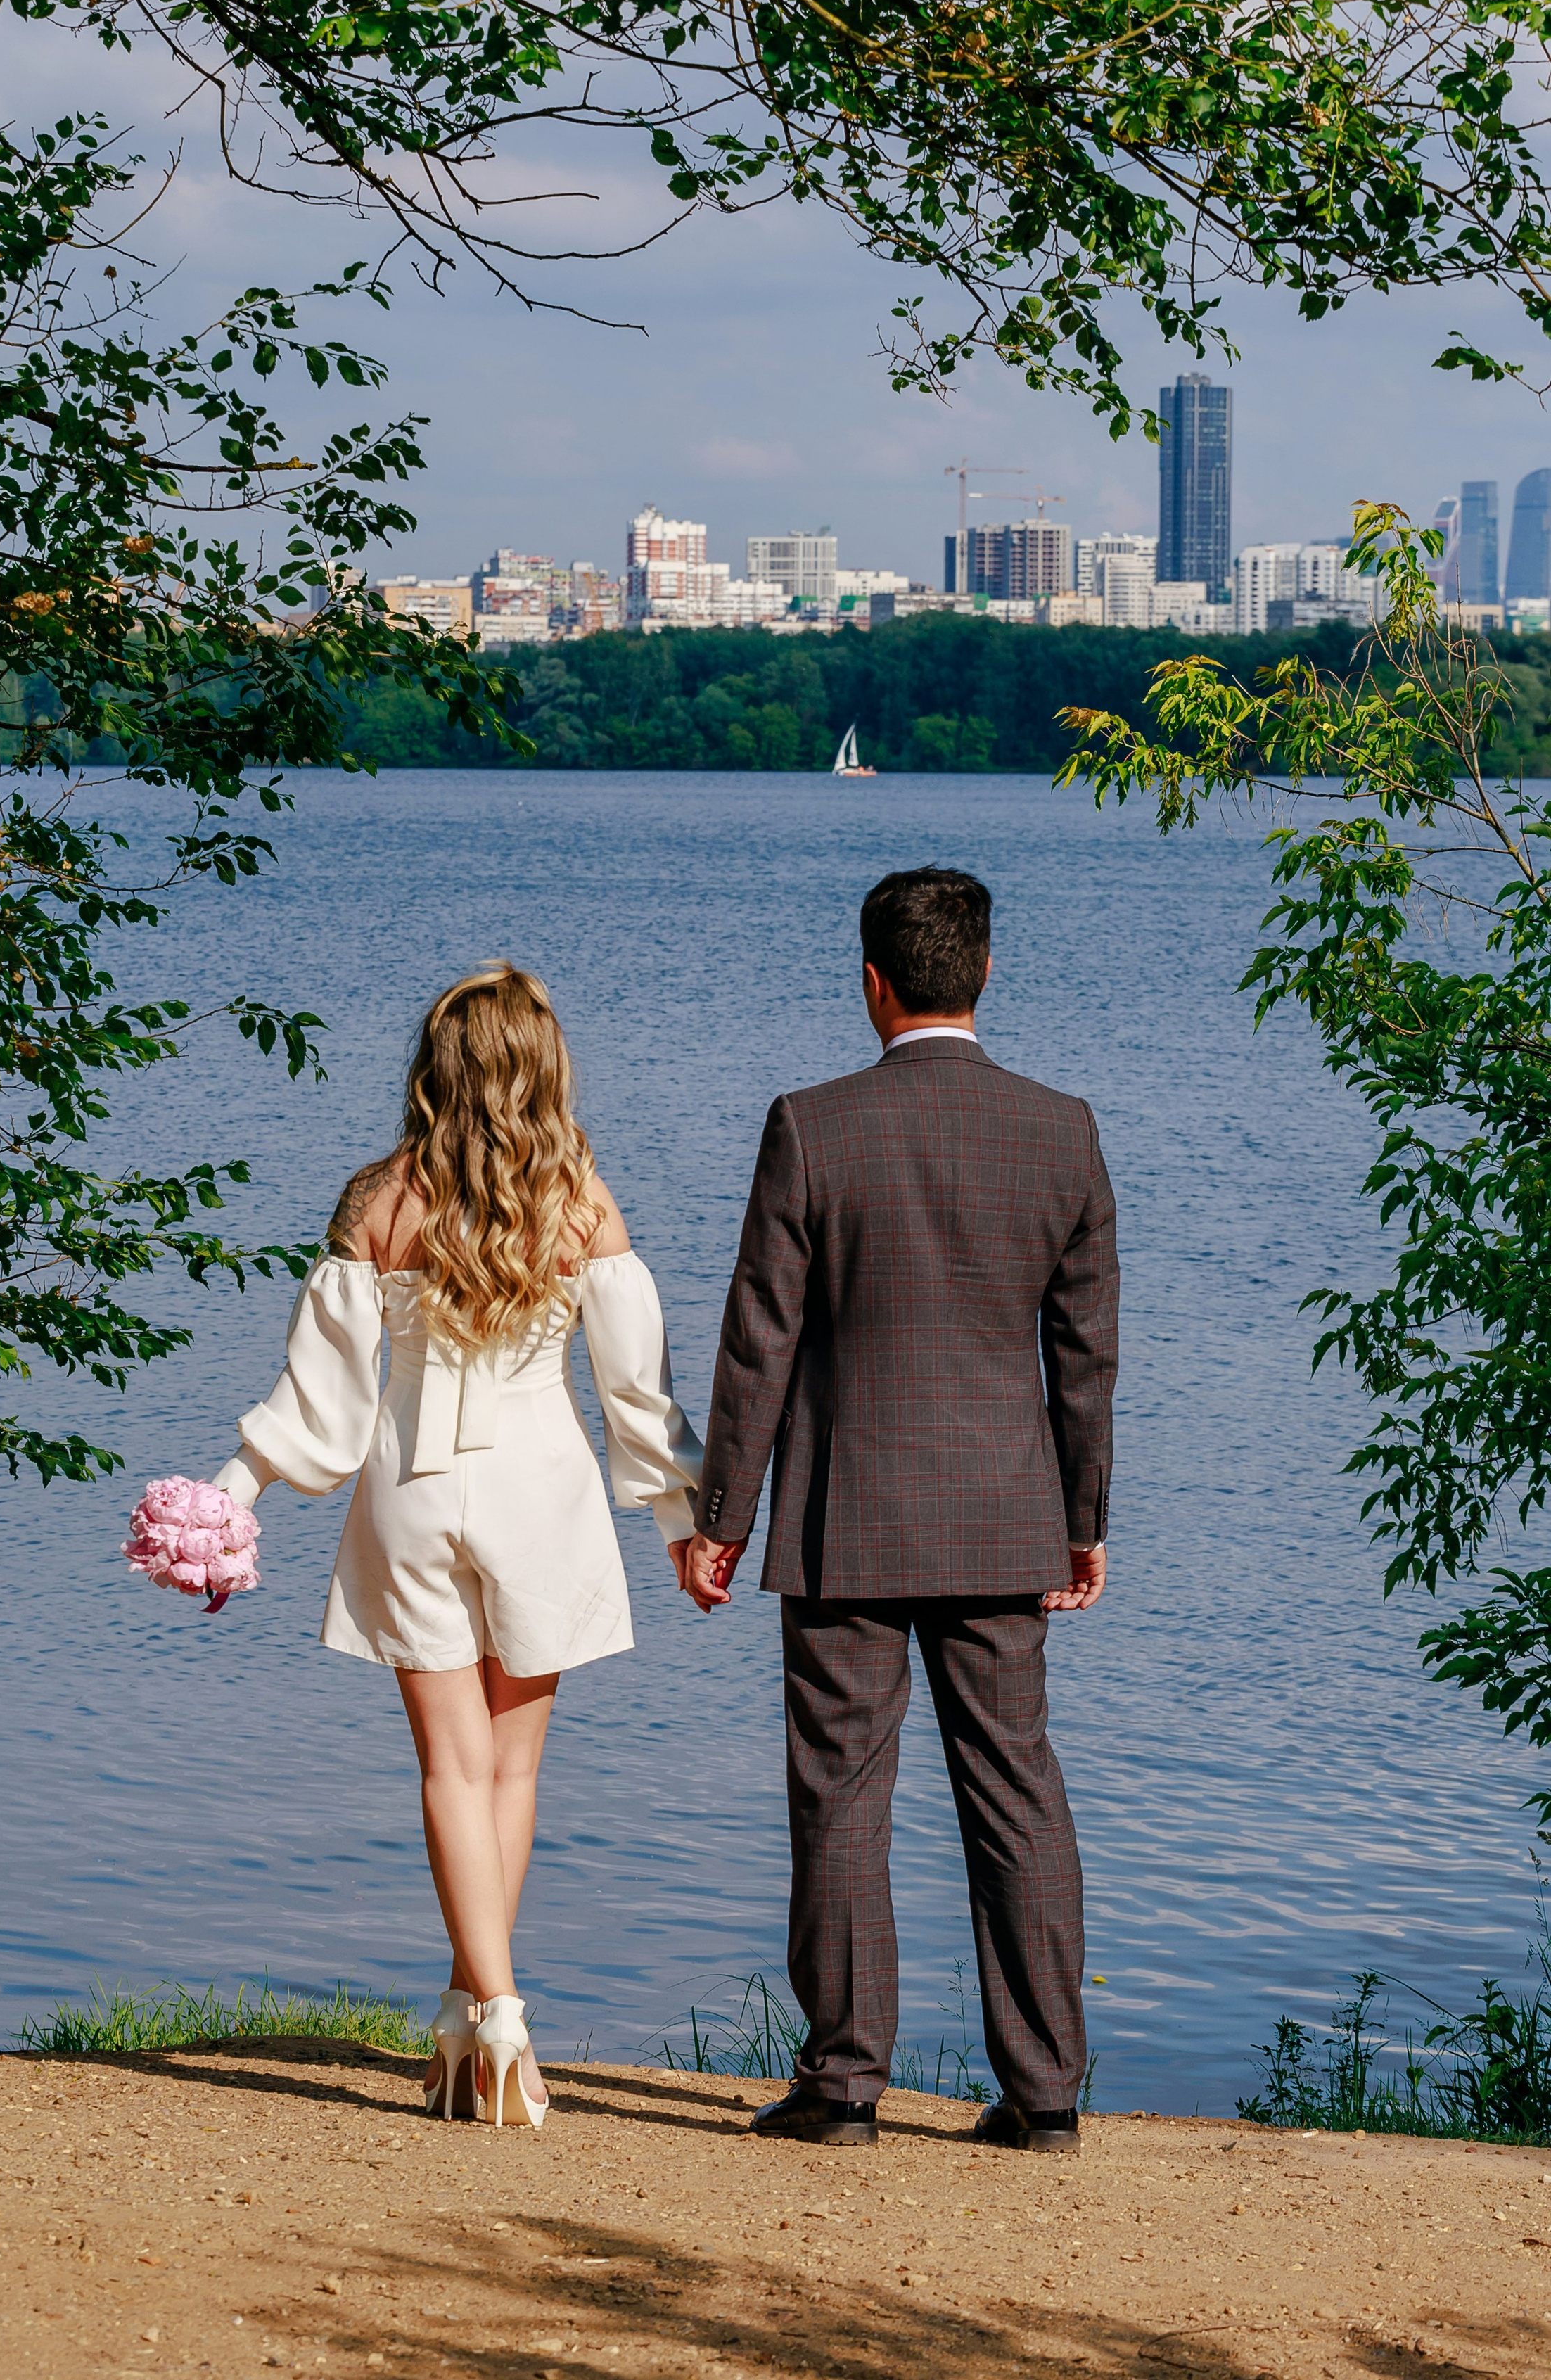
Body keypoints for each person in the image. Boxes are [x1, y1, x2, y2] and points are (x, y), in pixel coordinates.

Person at [212, 963, 701, 2127]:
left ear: (435, 1065)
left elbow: (322, 1399)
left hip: (411, 1490)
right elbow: (637, 1394)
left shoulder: (380, 1198)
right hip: (542, 1494)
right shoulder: (580, 1200)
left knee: (451, 1767)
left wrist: (236, 1488)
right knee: (511, 1770)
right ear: (545, 1066)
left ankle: (467, 2015)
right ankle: (505, 2022)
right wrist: (684, 1524)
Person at [682, 865, 1117, 2155]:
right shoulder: (1063, 1130)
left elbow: (758, 1341)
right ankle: (1046, 2094)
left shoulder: (811, 1126)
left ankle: (842, 2087)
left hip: (844, 1518)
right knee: (1017, 1791)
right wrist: (1083, 1516)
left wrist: (722, 1515)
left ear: (873, 982)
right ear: (984, 972)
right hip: (1003, 1517)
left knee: (840, 1796)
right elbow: (1086, 1355)